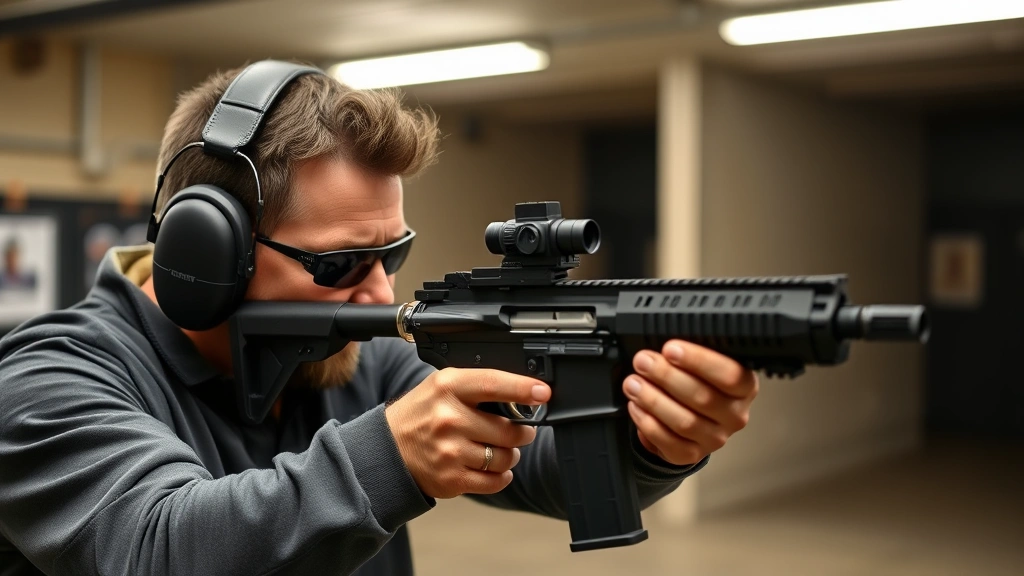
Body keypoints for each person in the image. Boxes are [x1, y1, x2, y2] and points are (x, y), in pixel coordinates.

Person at [0, 61, 759, 576]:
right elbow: (154, 547)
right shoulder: (47, 378)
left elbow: (537, 465)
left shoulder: (356, 360)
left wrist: (653, 441)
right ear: (204, 252)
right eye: (338, 264)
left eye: (390, 254)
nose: (376, 297)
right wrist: (388, 459)